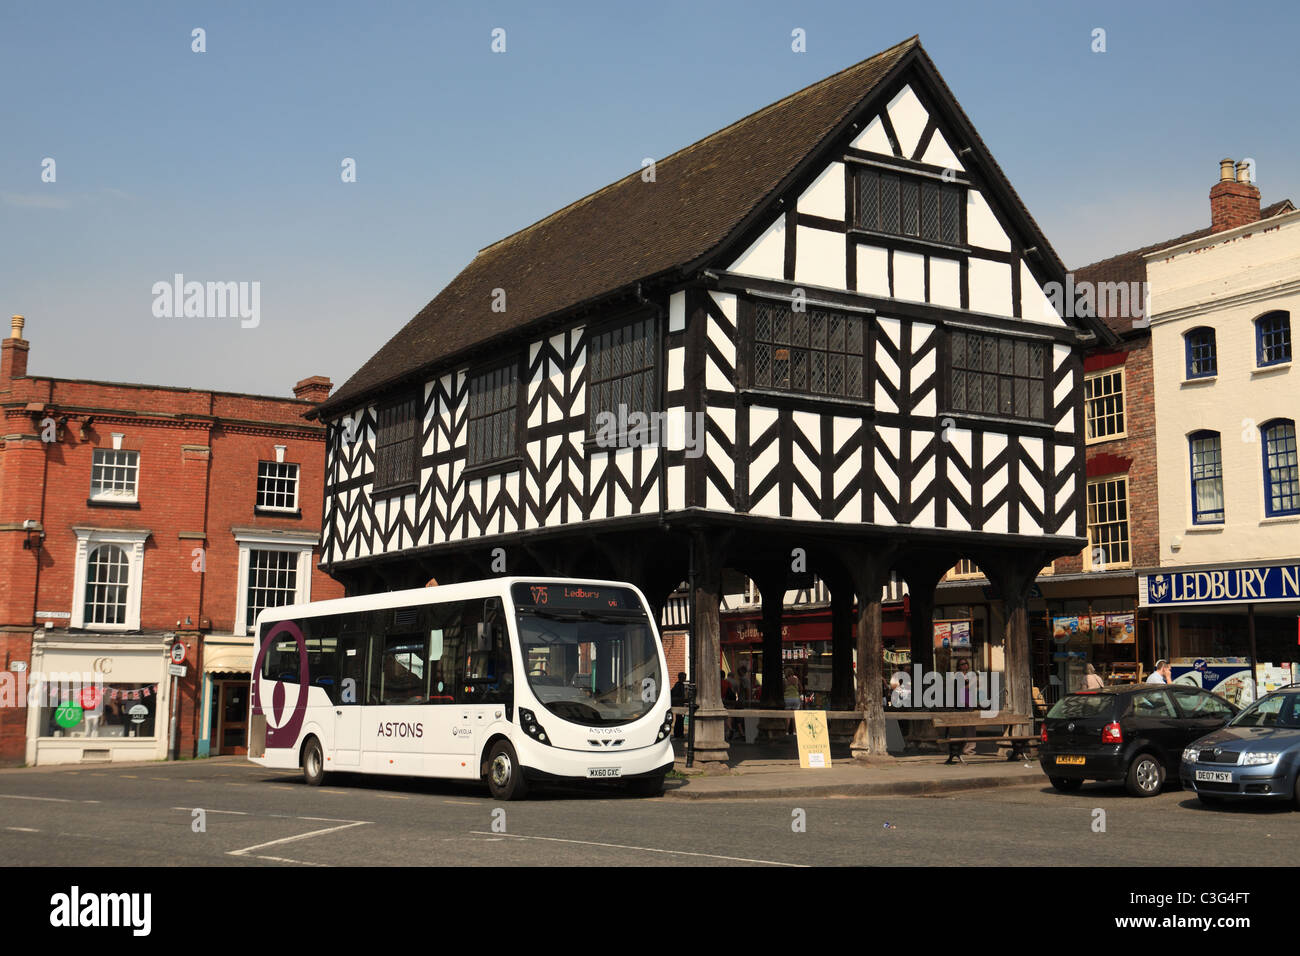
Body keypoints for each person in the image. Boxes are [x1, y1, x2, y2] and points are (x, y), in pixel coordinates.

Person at [670, 672, 688, 738]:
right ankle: (678, 734)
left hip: (680, 704)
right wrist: (682, 699)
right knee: (679, 720)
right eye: (684, 677)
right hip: (679, 705)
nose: (685, 678)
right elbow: (677, 695)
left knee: (680, 720)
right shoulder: (679, 685)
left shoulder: (680, 685)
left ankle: (679, 733)